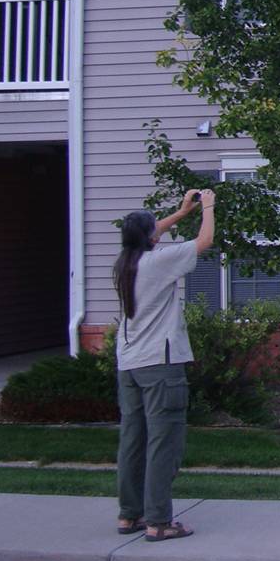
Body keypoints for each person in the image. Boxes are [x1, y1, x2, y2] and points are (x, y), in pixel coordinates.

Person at [113, 186, 215, 541]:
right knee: (163, 442)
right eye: (156, 227)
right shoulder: (158, 262)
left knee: (133, 439)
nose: (160, 230)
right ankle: (158, 521)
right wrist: (208, 208)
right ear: (149, 237)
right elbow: (204, 242)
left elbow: (147, 235)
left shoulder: (125, 263)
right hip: (160, 364)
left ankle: (130, 515)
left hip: (130, 364)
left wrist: (181, 212)